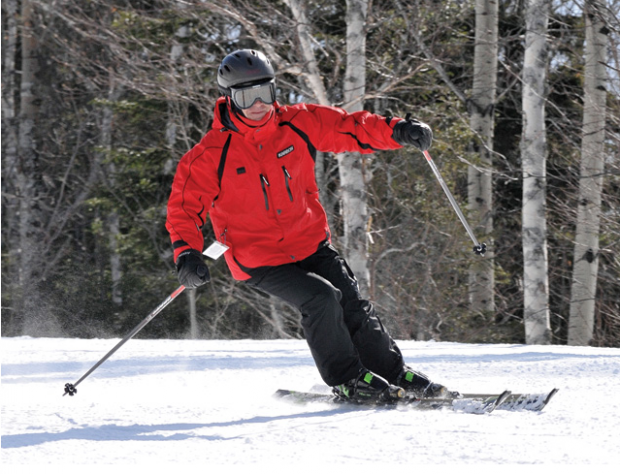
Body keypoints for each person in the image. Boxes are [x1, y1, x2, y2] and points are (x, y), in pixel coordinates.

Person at [166, 49, 452, 403]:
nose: (258, 104)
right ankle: (347, 379)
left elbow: (350, 127)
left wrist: (398, 131)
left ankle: (392, 372)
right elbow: (184, 208)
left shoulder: (297, 123)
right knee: (321, 299)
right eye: (246, 96)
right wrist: (187, 252)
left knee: (351, 302)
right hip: (258, 258)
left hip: (309, 241)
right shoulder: (211, 153)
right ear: (229, 98)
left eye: (264, 93)